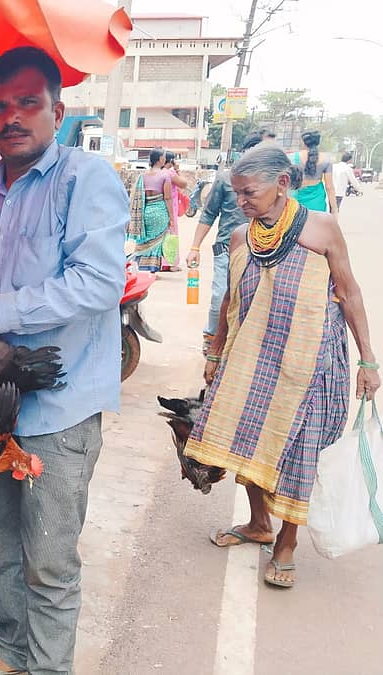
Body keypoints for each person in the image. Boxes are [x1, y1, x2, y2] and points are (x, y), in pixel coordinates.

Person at [0, 46, 127, 674]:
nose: (12, 117)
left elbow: (98, 283)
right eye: (0, 106)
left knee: (50, 561)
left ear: (57, 110)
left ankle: (47, 668)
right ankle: (13, 654)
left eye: (27, 104)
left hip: (59, 413)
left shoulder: (86, 180)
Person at [184, 144, 379, 589]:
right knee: (248, 440)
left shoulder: (323, 230)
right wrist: (215, 355)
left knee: (298, 454)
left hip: (310, 367)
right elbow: (229, 302)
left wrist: (368, 359)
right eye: (237, 193)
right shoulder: (239, 237)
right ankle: (258, 523)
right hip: (251, 361)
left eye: (249, 192)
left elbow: (350, 295)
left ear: (283, 185)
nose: (241, 202)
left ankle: (286, 545)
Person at [186, 132, 265, 354]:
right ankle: (212, 337)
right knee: (220, 297)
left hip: (262, 250)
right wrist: (194, 247)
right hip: (227, 249)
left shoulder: (271, 184)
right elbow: (208, 214)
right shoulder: (225, 179)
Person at [128, 148, 172, 272]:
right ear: (160, 159)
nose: (164, 159)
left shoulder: (143, 176)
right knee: (157, 241)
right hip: (160, 212)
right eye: (163, 157)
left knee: (144, 240)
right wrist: (171, 218)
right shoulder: (165, 175)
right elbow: (168, 198)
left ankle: (139, 264)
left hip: (145, 212)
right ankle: (152, 266)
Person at [290, 130, 337, 215]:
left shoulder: (292, 158)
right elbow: (329, 187)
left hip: (296, 201)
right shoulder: (326, 160)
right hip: (317, 201)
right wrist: (334, 210)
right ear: (318, 142)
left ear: (303, 142)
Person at [162, 150, 188, 271]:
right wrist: (178, 170)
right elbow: (183, 184)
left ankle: (161, 262)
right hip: (170, 206)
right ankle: (171, 263)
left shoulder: (158, 172)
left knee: (161, 235)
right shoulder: (170, 173)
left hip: (159, 206)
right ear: (171, 160)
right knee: (172, 234)